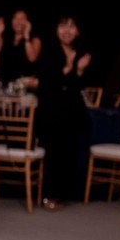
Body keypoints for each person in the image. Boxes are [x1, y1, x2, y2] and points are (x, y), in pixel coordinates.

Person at [28, 15, 92, 210]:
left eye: (72, 26)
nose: (67, 30)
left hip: (71, 111)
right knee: (52, 153)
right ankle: (48, 195)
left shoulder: (81, 52)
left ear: (78, 31)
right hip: (51, 111)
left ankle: (64, 193)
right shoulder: (49, 51)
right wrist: (68, 68)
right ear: (56, 29)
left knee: (68, 152)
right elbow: (45, 82)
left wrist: (79, 71)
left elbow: (78, 86)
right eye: (63, 25)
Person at [0, 9, 42, 84]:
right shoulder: (4, 38)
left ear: (28, 22)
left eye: (22, 18)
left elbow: (32, 58)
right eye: (15, 18)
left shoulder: (34, 40)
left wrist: (26, 36)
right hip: (4, 83)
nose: (18, 21)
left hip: (25, 84)